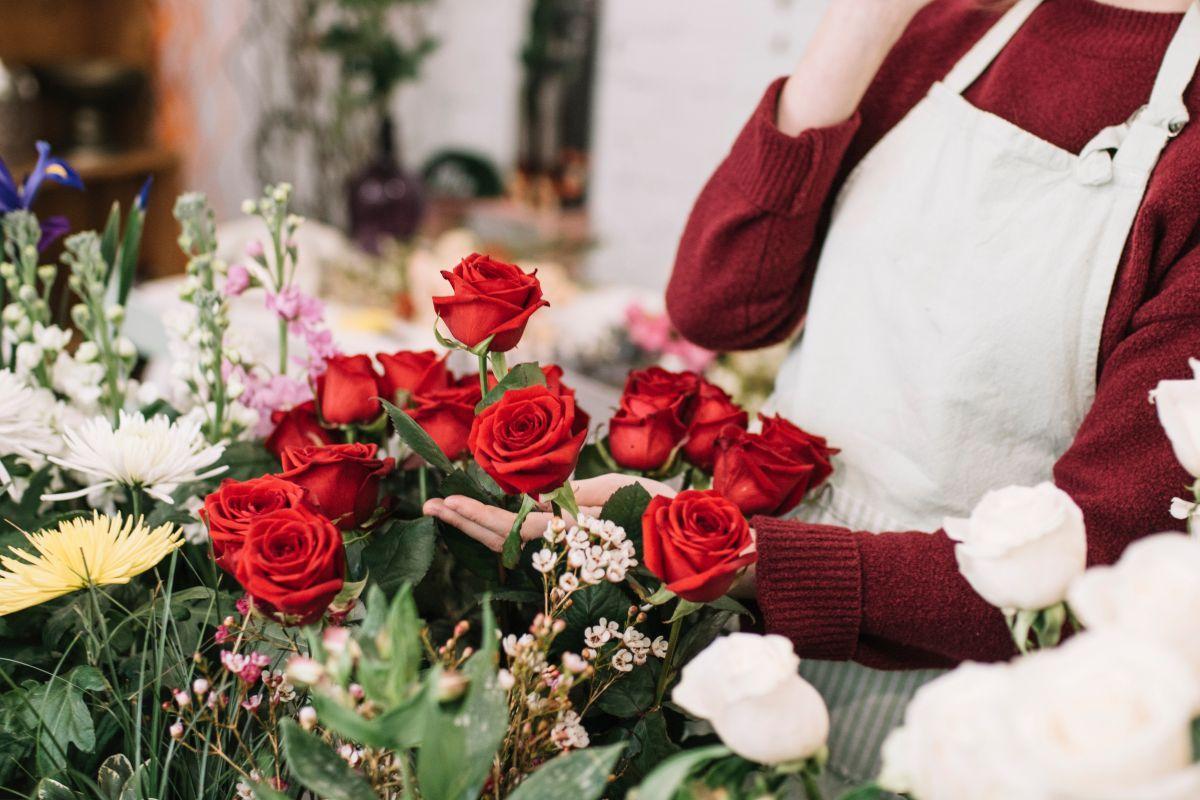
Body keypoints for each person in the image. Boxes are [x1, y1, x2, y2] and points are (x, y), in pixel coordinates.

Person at [426, 0, 1200, 789]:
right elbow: (720, 307)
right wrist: (862, 24)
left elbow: (1093, 559)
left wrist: (750, 559)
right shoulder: (952, 28)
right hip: (739, 643)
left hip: (960, 708)